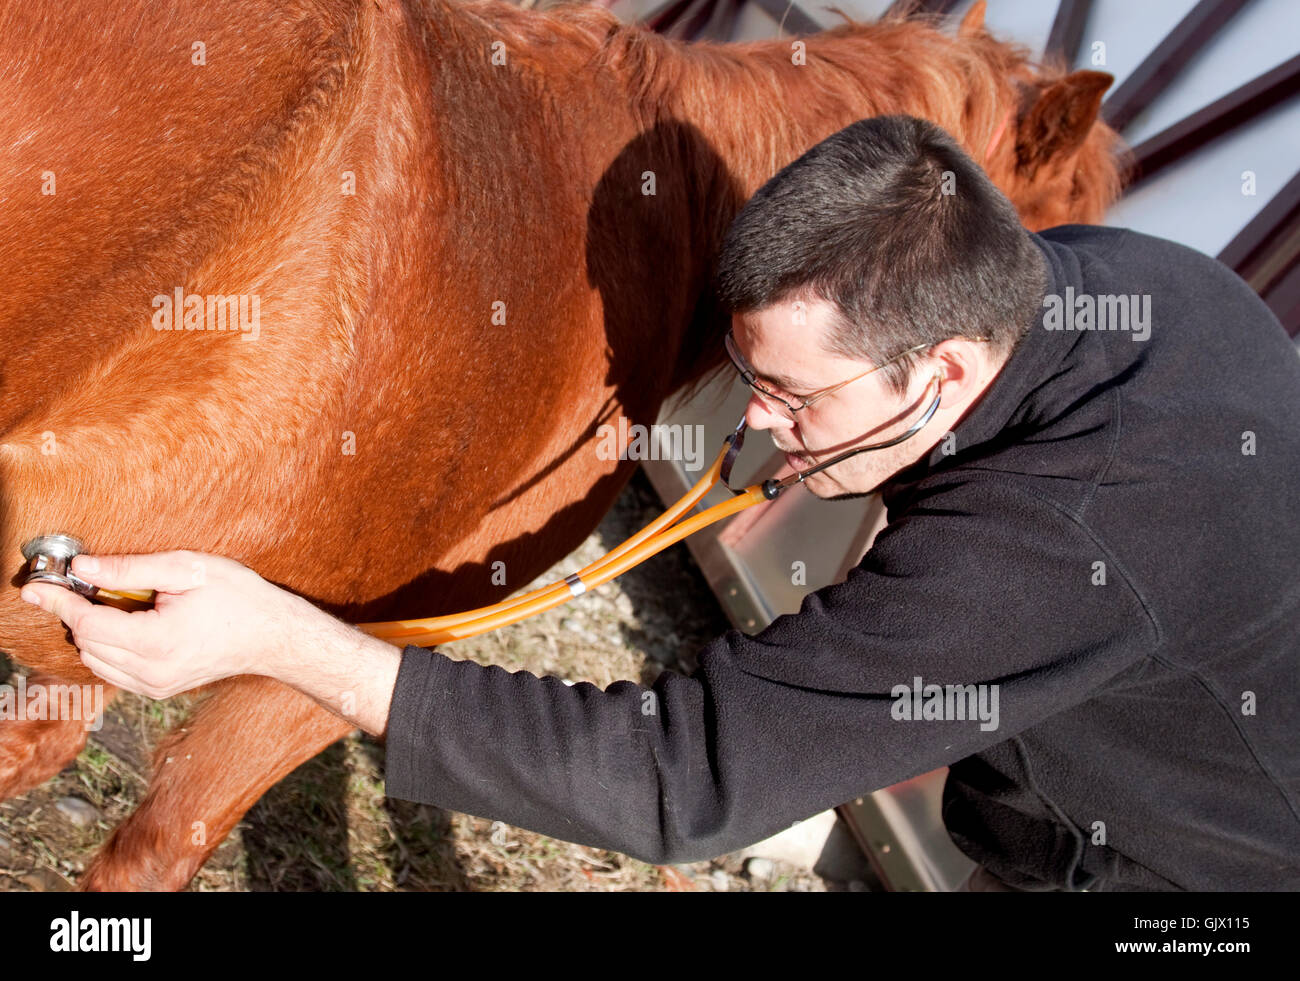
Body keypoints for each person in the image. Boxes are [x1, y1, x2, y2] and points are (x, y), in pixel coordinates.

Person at [22, 115, 1299, 891]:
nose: (753, 421)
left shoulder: (1059, 535)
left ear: (943, 370)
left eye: (795, 396)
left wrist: (280, 640)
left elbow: (684, 782)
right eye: (745, 375)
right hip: (1057, 808)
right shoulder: (1081, 280)